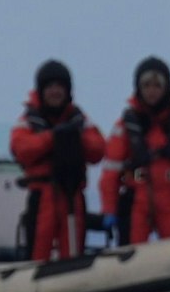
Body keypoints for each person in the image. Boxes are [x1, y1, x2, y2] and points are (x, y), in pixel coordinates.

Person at [9, 59, 105, 260]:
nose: (55, 91)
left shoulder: (79, 120)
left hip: (72, 195)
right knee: (38, 254)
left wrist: (74, 137)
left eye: (59, 86)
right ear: (41, 90)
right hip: (42, 195)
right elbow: (21, 149)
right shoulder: (27, 120)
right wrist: (53, 138)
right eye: (50, 86)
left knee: (73, 254)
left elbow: (98, 150)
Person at [103, 56, 170, 243]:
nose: (152, 91)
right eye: (146, 85)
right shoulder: (125, 125)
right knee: (131, 257)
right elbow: (110, 172)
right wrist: (109, 209)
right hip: (136, 199)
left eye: (157, 86)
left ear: (166, 88)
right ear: (138, 88)